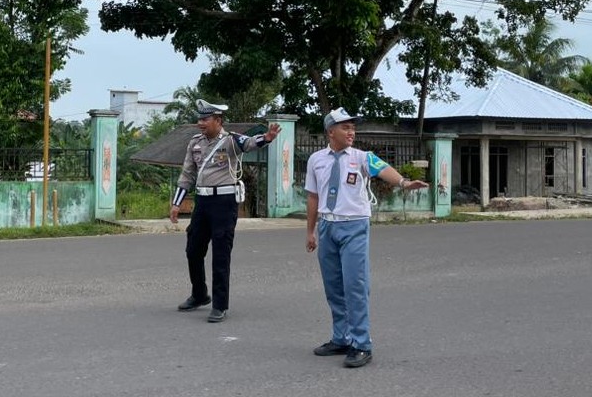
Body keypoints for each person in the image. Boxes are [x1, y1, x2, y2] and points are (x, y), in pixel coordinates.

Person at [305, 107, 428, 367]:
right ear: (331, 131)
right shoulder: (316, 160)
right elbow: (313, 196)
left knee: (355, 286)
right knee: (334, 287)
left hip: (354, 226)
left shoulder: (361, 157)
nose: (351, 132)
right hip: (328, 226)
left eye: (353, 127)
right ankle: (341, 338)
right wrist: (311, 231)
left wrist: (404, 183)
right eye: (345, 127)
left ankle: (361, 344)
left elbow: (384, 170)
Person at [169, 99, 282, 322]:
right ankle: (200, 294)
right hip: (202, 202)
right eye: (199, 119)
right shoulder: (195, 143)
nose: (200, 123)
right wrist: (176, 203)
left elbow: (249, 143)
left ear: (218, 120)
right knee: (193, 250)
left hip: (224, 202)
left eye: (205, 119)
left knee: (221, 254)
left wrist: (266, 138)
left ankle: (220, 305)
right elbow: (187, 175)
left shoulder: (230, 141)